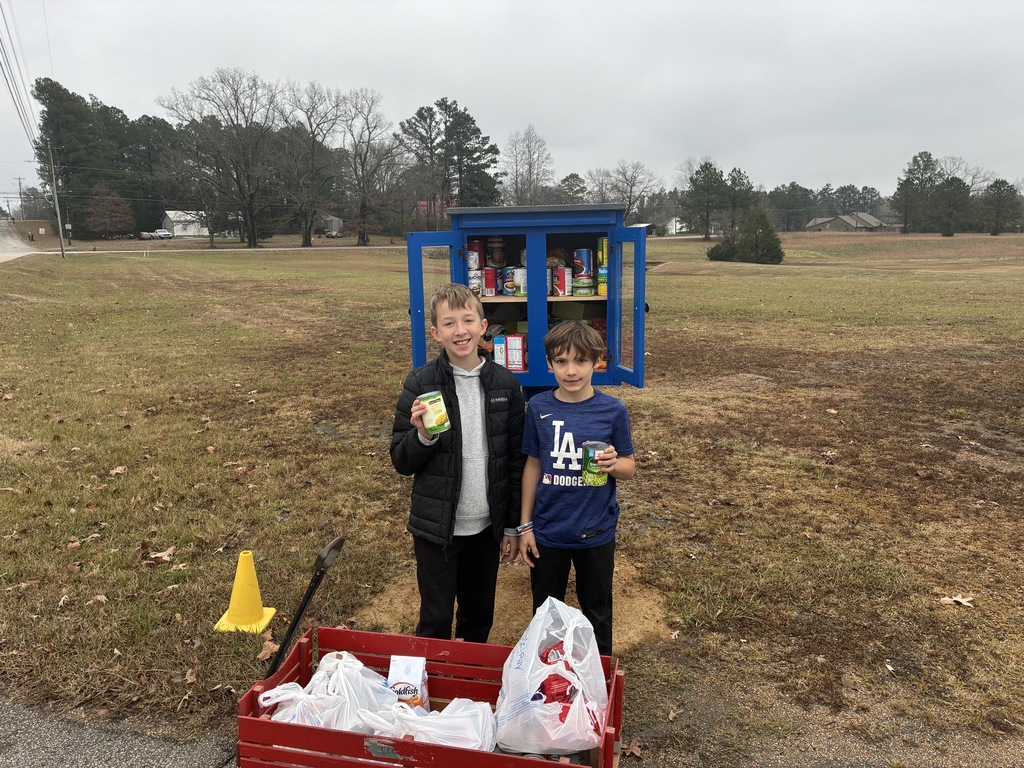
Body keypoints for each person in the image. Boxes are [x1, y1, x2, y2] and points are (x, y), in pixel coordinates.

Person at [390, 283, 525, 643]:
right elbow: (401, 460)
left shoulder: (506, 385)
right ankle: (430, 676)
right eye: (449, 323)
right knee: (435, 617)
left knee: (478, 615)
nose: (460, 330)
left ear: (483, 326)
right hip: (437, 529)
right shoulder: (420, 384)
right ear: (436, 333)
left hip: (486, 528)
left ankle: (469, 675)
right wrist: (423, 436)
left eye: (467, 320)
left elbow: (515, 460)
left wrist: (511, 526)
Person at [517, 320, 635, 655]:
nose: (571, 371)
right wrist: (526, 525)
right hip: (548, 531)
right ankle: (547, 673)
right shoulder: (538, 407)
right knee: (545, 614)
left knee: (597, 609)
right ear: (549, 363)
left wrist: (613, 464)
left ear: (597, 361)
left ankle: (599, 673)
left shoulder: (613, 410)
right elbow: (533, 465)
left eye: (581, 361)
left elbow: (629, 467)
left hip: (595, 531)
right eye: (562, 361)